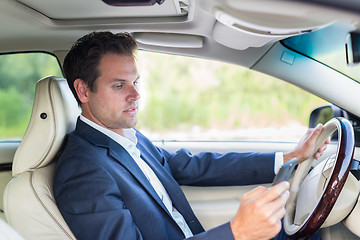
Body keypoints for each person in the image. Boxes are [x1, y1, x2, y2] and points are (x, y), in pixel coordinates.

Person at [54, 31, 328, 240]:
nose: (136, 95)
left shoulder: (125, 137)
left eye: (135, 82)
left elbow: (193, 166)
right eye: (119, 85)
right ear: (83, 91)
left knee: (301, 228)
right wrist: (236, 232)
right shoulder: (82, 171)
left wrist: (289, 157)